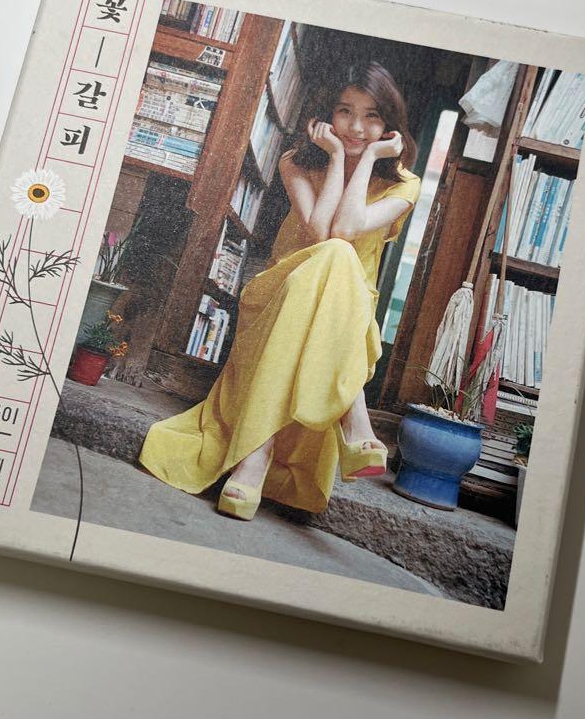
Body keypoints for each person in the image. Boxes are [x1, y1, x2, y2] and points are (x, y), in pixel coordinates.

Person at [139, 59, 421, 520]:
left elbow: (348, 227)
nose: (356, 127)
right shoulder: (296, 163)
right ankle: (354, 419)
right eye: (345, 111)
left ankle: (256, 456)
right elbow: (323, 233)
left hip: (344, 313)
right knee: (334, 253)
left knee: (339, 257)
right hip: (279, 294)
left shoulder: (405, 184)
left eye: (372, 116)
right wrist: (337, 159)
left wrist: (369, 159)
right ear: (326, 115)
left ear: (390, 124)